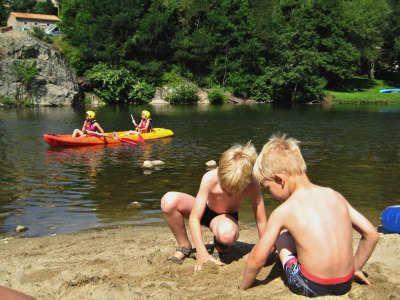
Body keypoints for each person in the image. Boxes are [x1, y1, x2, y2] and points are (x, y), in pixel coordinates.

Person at [239, 134, 379, 297]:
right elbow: (371, 234)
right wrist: (356, 268)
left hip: (312, 285)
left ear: (280, 178)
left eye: (268, 187)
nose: (270, 193)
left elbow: (256, 259)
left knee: (282, 239)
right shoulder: (334, 195)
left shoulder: (285, 210)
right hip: (345, 283)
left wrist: (243, 286)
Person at [161, 142, 270, 273]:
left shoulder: (252, 184)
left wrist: (265, 249)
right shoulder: (210, 177)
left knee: (227, 233)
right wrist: (202, 253)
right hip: (205, 210)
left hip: (226, 217)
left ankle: (221, 245)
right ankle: (184, 246)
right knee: (168, 200)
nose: (228, 192)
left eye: (235, 190)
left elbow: (261, 220)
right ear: (219, 170)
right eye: (225, 187)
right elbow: (195, 218)